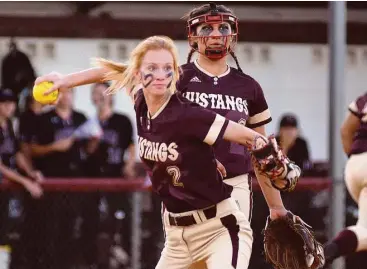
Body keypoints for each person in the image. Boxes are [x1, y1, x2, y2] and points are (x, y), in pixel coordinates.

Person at [34, 35, 300, 269]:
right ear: (137, 74)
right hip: (176, 238)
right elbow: (108, 73)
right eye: (151, 68)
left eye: (167, 68)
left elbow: (248, 136)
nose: (160, 75)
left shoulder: (188, 114)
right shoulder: (140, 101)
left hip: (218, 229)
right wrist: (64, 80)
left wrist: (276, 162)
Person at [179, 3, 291, 267]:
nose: (217, 34)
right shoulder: (177, 80)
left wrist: (276, 207)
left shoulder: (249, 86)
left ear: (233, 34)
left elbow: (261, 154)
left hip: (235, 188)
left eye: (223, 27)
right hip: (186, 187)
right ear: (192, 36)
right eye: (207, 27)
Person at [323, 92, 367, 266]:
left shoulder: (364, 98)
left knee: (364, 229)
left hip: (355, 164)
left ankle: (328, 250)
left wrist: (357, 160)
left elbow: (345, 130)